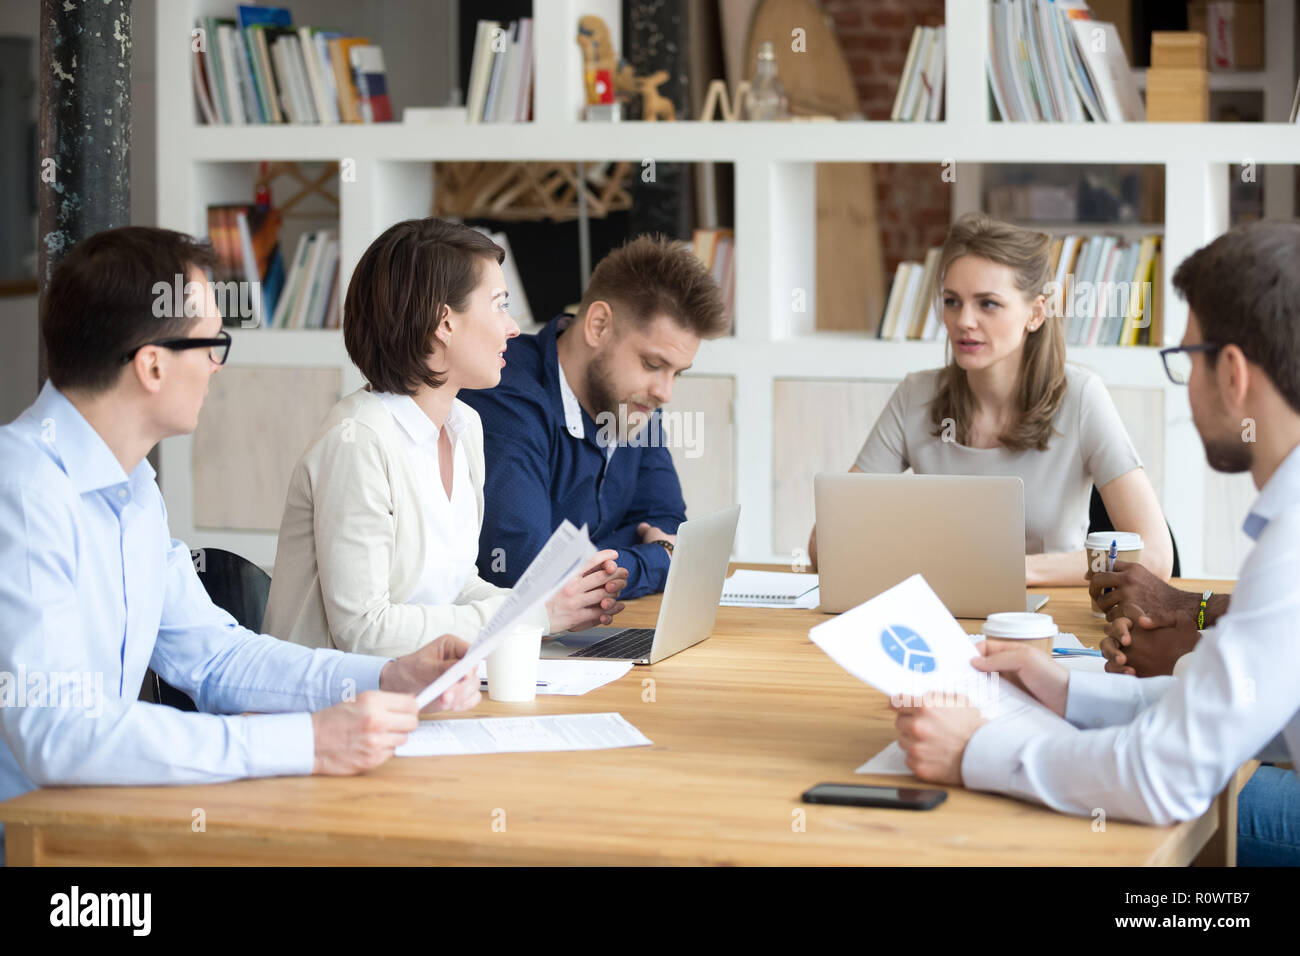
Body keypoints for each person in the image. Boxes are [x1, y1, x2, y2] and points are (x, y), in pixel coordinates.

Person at [0, 226, 482, 866]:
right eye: (212, 345)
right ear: (151, 365)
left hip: (96, 830)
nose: (218, 366)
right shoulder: (24, 490)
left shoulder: (134, 488)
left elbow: (216, 659)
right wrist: (306, 743)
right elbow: (56, 733)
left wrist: (390, 675)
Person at [892, 219, 1300, 865]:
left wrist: (973, 751)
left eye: (1184, 361)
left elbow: (1163, 775)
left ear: (1231, 373)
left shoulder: (1292, 549)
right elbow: (1232, 704)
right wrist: (1067, 691)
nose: (1185, 390)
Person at [264, 219, 628, 658]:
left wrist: (546, 604)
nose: (513, 327)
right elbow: (364, 631)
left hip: (421, 687)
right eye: (499, 305)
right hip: (336, 705)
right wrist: (535, 614)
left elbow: (454, 587)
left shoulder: (464, 425)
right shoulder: (358, 441)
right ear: (444, 324)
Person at [807, 213, 1173, 587]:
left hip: (1048, 623)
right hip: (941, 611)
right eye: (952, 301)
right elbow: (825, 545)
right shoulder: (915, 396)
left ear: (1035, 313)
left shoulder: (1082, 397)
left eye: (988, 304)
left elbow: (1156, 556)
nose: (964, 321)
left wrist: (1019, 570)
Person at [460, 234, 728, 600]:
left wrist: (598, 562)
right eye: (652, 364)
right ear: (599, 325)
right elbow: (527, 574)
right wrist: (657, 557)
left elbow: (668, 523)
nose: (664, 392)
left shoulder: (634, 401)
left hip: (589, 637)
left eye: (677, 373)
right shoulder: (506, 390)